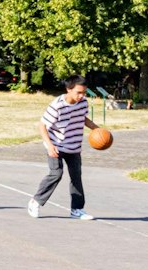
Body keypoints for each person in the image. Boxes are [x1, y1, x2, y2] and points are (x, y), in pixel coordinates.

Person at [28, 77, 98, 220]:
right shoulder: (57, 105)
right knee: (56, 173)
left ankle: (77, 210)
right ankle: (36, 201)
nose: (82, 96)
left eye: (84, 93)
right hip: (56, 145)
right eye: (79, 92)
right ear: (69, 89)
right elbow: (42, 126)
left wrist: (96, 129)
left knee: (76, 177)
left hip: (74, 146)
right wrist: (49, 146)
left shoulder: (83, 103)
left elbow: (82, 118)